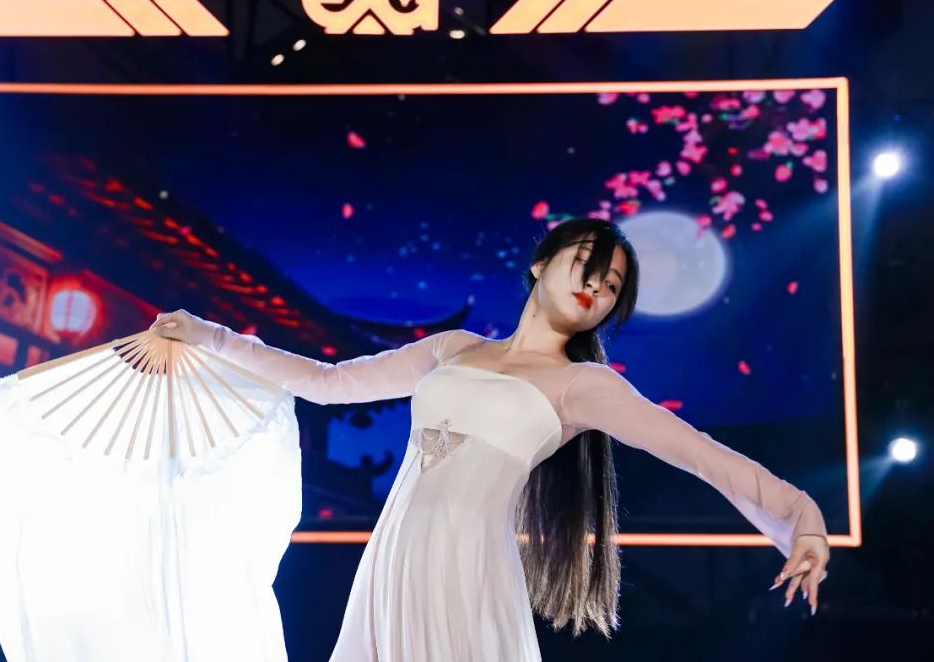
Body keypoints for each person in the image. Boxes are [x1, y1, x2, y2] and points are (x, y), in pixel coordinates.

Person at [150, 217, 830, 662]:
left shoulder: (585, 385)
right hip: (392, 559)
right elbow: (327, 383)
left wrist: (801, 517)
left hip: (467, 567)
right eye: (586, 264)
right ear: (540, 265)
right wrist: (209, 336)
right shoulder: (452, 347)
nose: (595, 286)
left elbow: (700, 454)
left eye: (611, 285)